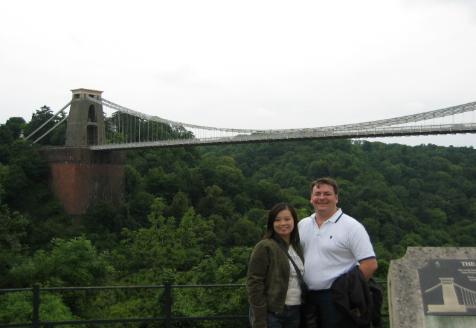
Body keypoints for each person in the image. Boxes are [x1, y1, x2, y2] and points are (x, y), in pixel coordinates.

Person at [298, 177, 378, 328]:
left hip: (337, 299)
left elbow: (370, 264)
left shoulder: (352, 227)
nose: (322, 198)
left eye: (327, 194)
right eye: (317, 193)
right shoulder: (303, 225)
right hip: (308, 297)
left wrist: (347, 290)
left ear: (336, 198)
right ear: (311, 198)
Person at [247, 202, 305, 328]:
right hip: (273, 313)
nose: (283, 223)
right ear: (271, 224)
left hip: (296, 310)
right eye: (277, 220)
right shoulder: (265, 246)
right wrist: (259, 319)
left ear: (294, 221)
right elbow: (254, 283)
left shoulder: (297, 247)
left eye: (287, 219)